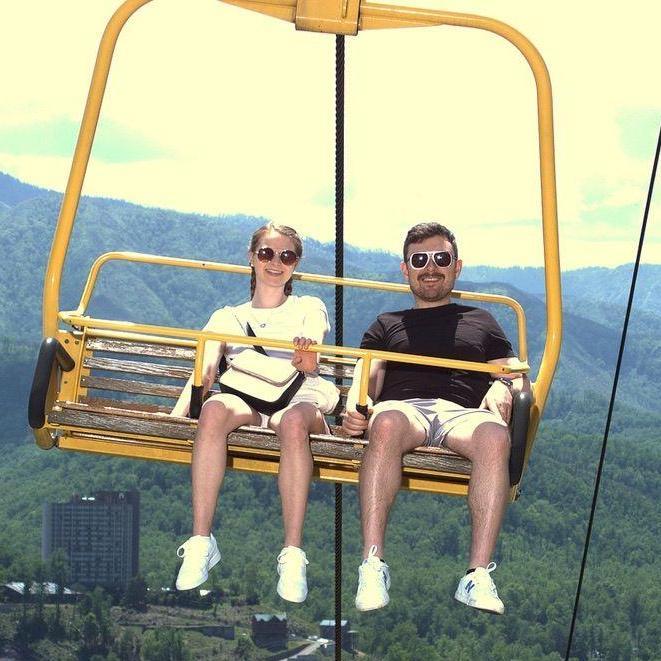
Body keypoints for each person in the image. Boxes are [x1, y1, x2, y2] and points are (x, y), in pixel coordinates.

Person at [342, 222, 522, 614]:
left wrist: (501, 386)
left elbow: (510, 368)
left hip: (463, 414)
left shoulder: (481, 320)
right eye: (419, 259)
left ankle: (477, 574)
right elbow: (368, 372)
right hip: (406, 409)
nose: (431, 267)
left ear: (456, 267)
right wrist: (357, 406)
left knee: (494, 435)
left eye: (441, 259)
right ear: (406, 269)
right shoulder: (388, 323)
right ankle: (372, 564)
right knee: (385, 423)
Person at [171, 222, 339, 603]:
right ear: (251, 258)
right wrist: (178, 416)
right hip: (247, 403)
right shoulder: (226, 317)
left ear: (296, 264)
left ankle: (292, 553)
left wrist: (307, 352)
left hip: (296, 402)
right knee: (215, 408)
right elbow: (205, 368)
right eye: (266, 254)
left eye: (286, 256)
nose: (275, 263)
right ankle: (201, 540)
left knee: (293, 422)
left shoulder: (308, 307)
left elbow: (313, 345)